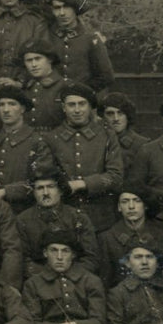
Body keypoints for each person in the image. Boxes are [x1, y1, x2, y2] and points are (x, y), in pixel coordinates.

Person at [42, 82, 124, 229]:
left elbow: (116, 176)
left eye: (82, 104)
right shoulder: (51, 138)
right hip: (63, 217)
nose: (77, 110)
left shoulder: (107, 136)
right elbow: (45, 175)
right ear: (63, 108)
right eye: (71, 105)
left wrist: (82, 184)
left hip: (101, 218)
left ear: (90, 107)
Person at [15, 166, 100, 275]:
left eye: (51, 187)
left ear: (60, 190)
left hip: (75, 279)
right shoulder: (23, 220)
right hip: (39, 280)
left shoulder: (78, 218)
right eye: (40, 188)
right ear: (34, 193)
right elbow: (23, 260)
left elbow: (91, 258)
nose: (46, 193)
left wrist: (68, 277)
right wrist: (47, 278)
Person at [0, 86, 52, 211]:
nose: (6, 110)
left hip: (25, 210)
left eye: (12, 104)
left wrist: (5, 191)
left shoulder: (37, 142)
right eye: (1, 105)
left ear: (22, 109)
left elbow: (40, 181)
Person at [99, 185, 163, 290]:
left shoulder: (162, 236)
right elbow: (105, 280)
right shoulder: (107, 238)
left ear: (145, 205)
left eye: (137, 201)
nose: (131, 206)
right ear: (119, 207)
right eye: (125, 202)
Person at [45, 0, 114, 92]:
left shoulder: (91, 39)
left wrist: (81, 92)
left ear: (76, 9)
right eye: (57, 8)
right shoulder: (46, 36)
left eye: (67, 7)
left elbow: (106, 77)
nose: (62, 13)